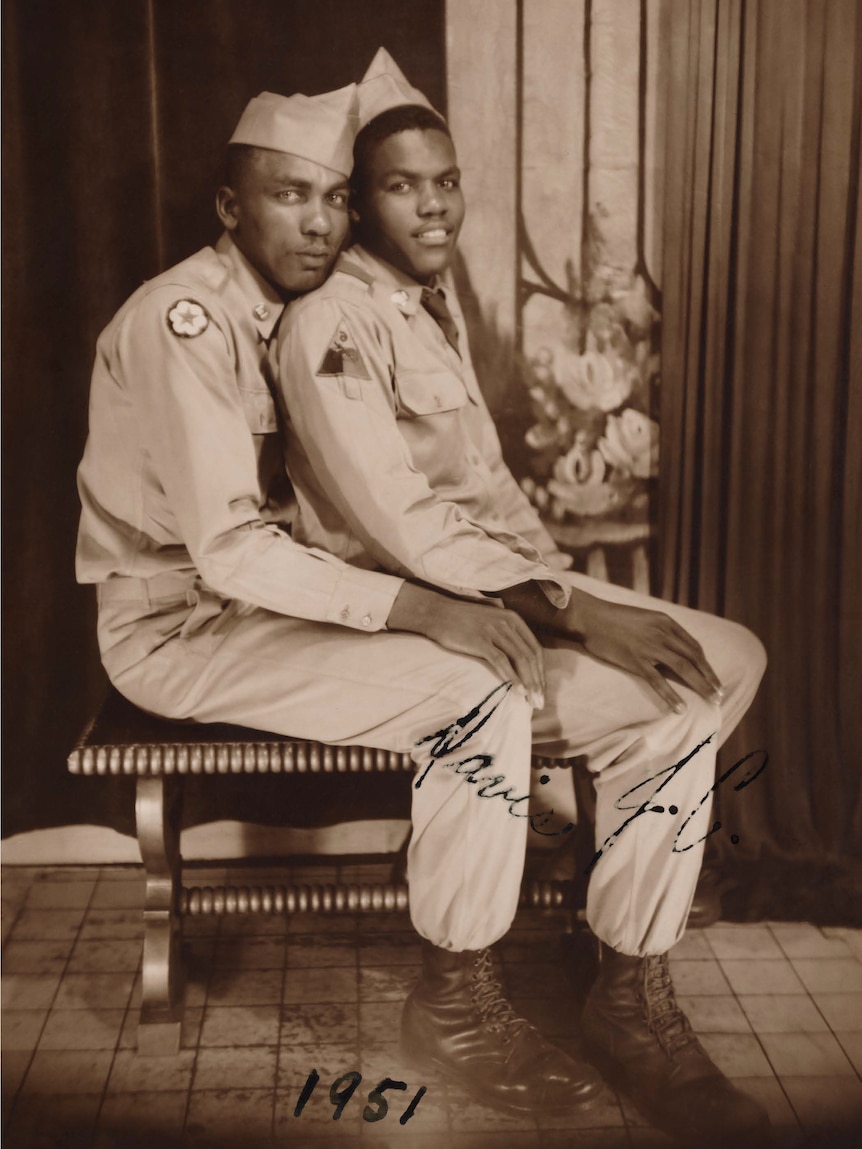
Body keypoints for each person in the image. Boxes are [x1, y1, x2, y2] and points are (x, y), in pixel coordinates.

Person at [76, 81, 604, 1118]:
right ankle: (454, 1007)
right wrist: (421, 609)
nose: (318, 222)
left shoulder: (296, 317)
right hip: (176, 626)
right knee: (472, 692)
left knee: (485, 671)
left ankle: (469, 886)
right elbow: (229, 549)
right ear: (231, 209)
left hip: (262, 609)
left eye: (331, 199)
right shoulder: (186, 320)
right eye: (287, 197)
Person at [274, 48, 771, 1144]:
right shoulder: (331, 326)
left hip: (510, 599)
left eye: (445, 179)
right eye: (405, 185)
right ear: (358, 203)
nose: (435, 201)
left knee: (711, 668)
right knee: (619, 706)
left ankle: (620, 976)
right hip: (413, 621)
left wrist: (567, 600)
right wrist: (583, 613)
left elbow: (492, 502)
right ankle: (491, 997)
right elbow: (399, 523)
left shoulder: (429, 306)